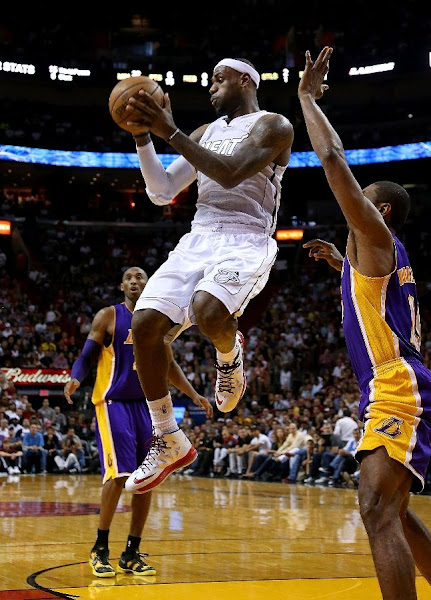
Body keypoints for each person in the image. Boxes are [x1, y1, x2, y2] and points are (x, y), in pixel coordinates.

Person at [120, 57, 293, 494]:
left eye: (219, 79)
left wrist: (170, 131)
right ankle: (168, 437)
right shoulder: (204, 132)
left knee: (208, 309)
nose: (211, 87)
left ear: (244, 80)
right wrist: (143, 137)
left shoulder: (274, 125)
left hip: (246, 238)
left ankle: (229, 355)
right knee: (144, 323)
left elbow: (230, 174)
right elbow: (161, 191)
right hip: (199, 236)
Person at [299, 46, 431, 599]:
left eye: (363, 201)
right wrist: (342, 265)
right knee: (392, 512)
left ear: (382, 213)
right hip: (395, 380)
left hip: (395, 382)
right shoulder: (377, 257)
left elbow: (333, 160)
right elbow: (375, 300)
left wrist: (308, 98)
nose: (353, 207)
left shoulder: (377, 236)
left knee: (376, 509)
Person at [64, 266, 212, 578]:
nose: (134, 281)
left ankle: (131, 552)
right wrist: (76, 377)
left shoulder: (156, 320)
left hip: (146, 405)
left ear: (148, 284)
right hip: (113, 402)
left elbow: (168, 365)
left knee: (149, 476)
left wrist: (193, 394)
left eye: (139, 277)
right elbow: (87, 355)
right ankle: (100, 548)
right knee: (119, 475)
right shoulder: (109, 316)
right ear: (122, 286)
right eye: (129, 278)